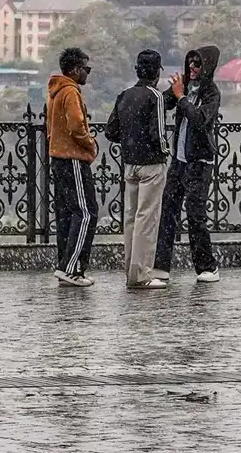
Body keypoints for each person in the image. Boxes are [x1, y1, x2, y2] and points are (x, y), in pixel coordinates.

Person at [154, 45, 222, 284]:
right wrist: (172, 92)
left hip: (199, 162)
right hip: (179, 161)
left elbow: (199, 120)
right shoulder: (184, 85)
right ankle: (161, 266)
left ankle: (207, 266)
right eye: (190, 62)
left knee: (195, 215)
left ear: (207, 67)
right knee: (167, 211)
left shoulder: (211, 93)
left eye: (197, 64)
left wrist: (182, 97)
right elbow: (163, 103)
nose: (192, 68)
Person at [105, 49, 169, 290]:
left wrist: (130, 138)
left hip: (129, 163)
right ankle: (141, 273)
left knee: (130, 218)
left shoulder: (124, 95)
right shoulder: (155, 96)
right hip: (151, 164)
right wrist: (165, 151)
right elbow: (159, 134)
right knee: (147, 219)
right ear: (156, 73)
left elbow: (111, 131)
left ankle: (130, 271)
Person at [47, 47, 100, 287]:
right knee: (87, 212)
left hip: (58, 157)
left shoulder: (56, 90)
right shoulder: (70, 91)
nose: (88, 73)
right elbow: (77, 125)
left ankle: (66, 266)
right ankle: (72, 268)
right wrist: (90, 144)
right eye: (86, 69)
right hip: (73, 158)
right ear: (75, 69)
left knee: (67, 215)